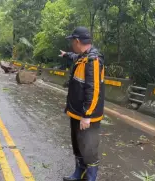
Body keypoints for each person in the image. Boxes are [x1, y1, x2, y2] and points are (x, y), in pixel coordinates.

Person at [59, 26, 105, 181]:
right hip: (76, 112)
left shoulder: (93, 60)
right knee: (78, 146)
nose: (71, 44)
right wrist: (66, 55)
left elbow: (94, 90)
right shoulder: (82, 56)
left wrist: (87, 115)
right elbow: (74, 57)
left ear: (77, 41)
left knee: (89, 149)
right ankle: (79, 173)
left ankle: (90, 177)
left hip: (87, 116)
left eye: (72, 41)